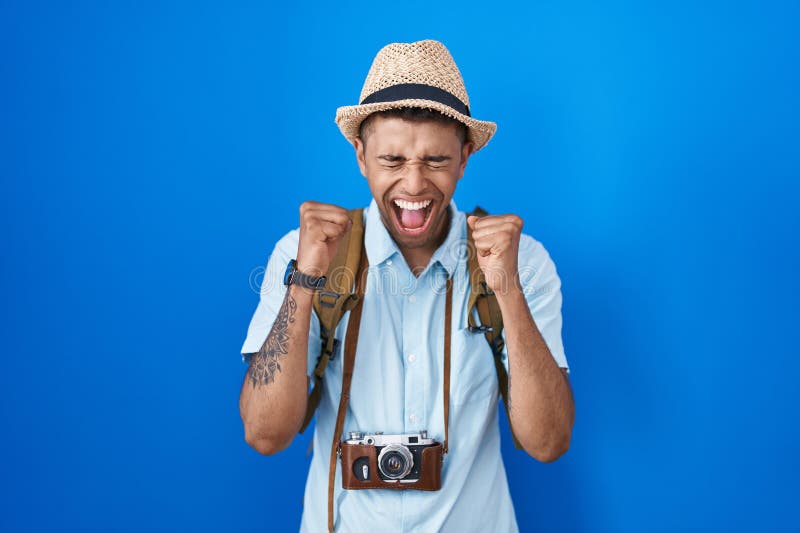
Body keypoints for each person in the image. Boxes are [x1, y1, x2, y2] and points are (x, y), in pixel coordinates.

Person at [238, 40, 575, 532]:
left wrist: (508, 288)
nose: (414, 185)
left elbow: (548, 442)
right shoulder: (303, 253)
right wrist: (305, 282)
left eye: (436, 160)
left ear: (464, 157)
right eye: (392, 160)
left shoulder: (522, 260)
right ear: (361, 156)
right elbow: (264, 434)